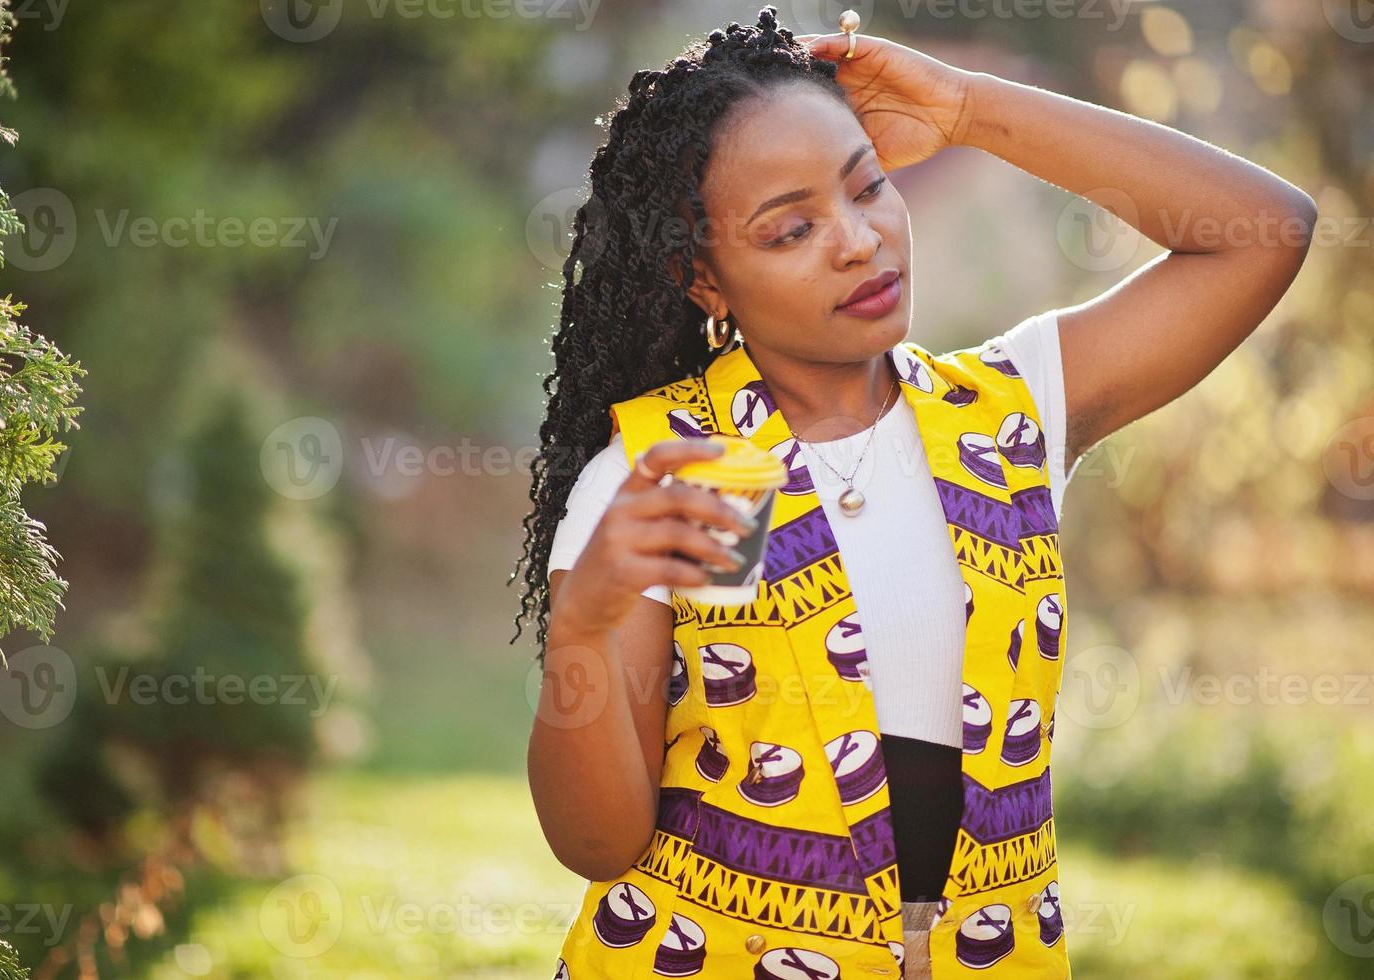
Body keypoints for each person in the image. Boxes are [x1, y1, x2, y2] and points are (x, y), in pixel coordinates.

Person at [512, 7, 1315, 977]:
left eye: (869, 187)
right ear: (704, 277)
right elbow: (597, 845)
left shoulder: (1009, 412)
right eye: (792, 228)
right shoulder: (667, 472)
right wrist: (586, 630)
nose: (857, 241)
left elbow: (1263, 232)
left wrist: (969, 107)